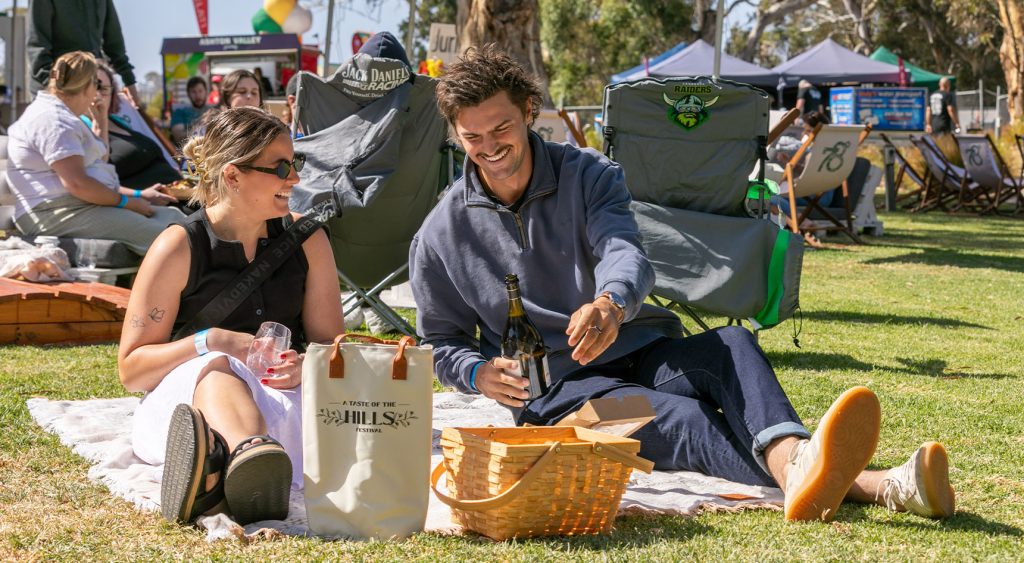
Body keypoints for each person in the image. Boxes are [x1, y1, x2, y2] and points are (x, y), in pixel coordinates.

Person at [409, 45, 955, 523]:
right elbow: (438, 344)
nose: (490, 147)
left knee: (733, 345)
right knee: (681, 418)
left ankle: (800, 468)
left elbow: (625, 252)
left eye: (501, 128)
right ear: (456, 136)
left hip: (639, 342)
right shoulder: (439, 232)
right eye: (472, 136)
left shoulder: (590, 174)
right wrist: (478, 373)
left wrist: (611, 301)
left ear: (530, 112)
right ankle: (878, 484)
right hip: (557, 393)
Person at [118, 107, 344, 525]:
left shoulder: (307, 239)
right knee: (218, 366)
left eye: (296, 164)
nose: (294, 178)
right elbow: (132, 372)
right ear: (233, 175)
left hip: (282, 401)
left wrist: (306, 364)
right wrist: (214, 340)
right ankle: (247, 462)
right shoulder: (178, 247)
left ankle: (223, 477)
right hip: (190, 403)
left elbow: (333, 347)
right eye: (280, 167)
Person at [6, 51, 184, 257]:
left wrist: (100, 123)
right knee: (171, 238)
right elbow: (77, 183)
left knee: (175, 219)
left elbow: (96, 165)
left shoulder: (58, 114)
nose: (96, 95)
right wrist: (127, 202)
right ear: (86, 86)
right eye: (96, 86)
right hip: (56, 212)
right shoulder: (55, 120)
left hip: (75, 207)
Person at [27, 0, 141, 106]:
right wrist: (56, 86)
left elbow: (115, 45)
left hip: (91, 91)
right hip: (54, 94)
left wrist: (129, 82)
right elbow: (37, 49)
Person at [94, 62, 181, 190]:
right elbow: (99, 178)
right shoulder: (82, 128)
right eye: (95, 86)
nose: (98, 95)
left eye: (104, 89)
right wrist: (138, 196)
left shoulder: (118, 121)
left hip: (178, 190)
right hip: (150, 204)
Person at [171, 76, 212, 145]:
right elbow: (178, 137)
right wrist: (200, 128)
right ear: (188, 94)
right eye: (193, 92)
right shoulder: (179, 112)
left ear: (206, 92)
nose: (198, 96)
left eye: (200, 91)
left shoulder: (214, 111)